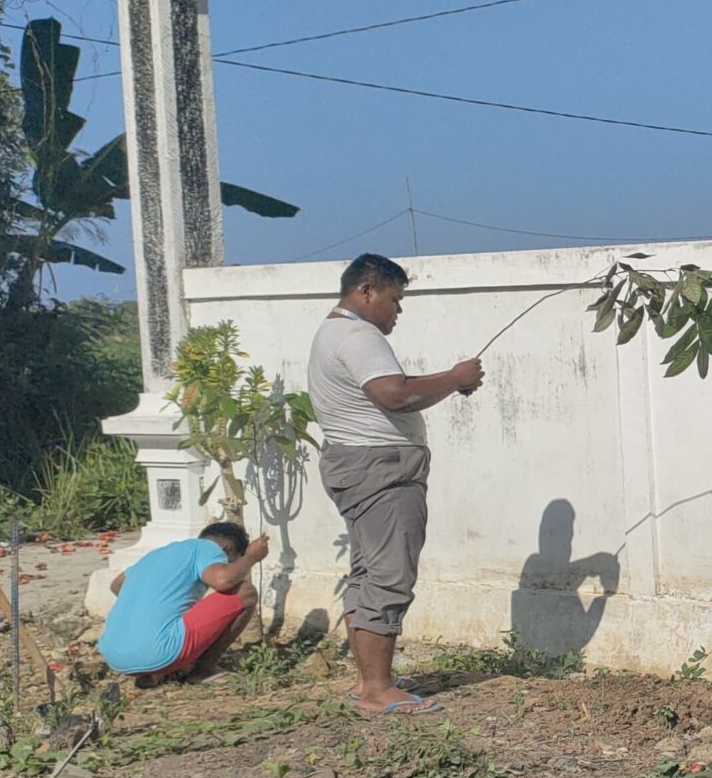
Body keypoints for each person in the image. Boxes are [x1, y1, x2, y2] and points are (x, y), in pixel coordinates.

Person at [306, 253, 484, 716]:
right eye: (394, 298)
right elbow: (396, 395)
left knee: (367, 572)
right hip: (381, 470)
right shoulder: (359, 335)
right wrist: (455, 377)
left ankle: (369, 681)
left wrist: (446, 384)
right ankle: (379, 691)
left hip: (357, 465)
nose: (397, 311)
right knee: (389, 573)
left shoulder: (331, 332)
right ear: (366, 291)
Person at [98, 521, 267, 686]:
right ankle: (203, 669)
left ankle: (153, 672)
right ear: (227, 550)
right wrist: (250, 558)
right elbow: (223, 580)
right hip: (161, 654)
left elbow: (117, 585)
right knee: (245, 592)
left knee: (178, 615)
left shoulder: (157, 554)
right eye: (232, 562)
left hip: (115, 658)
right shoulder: (208, 548)